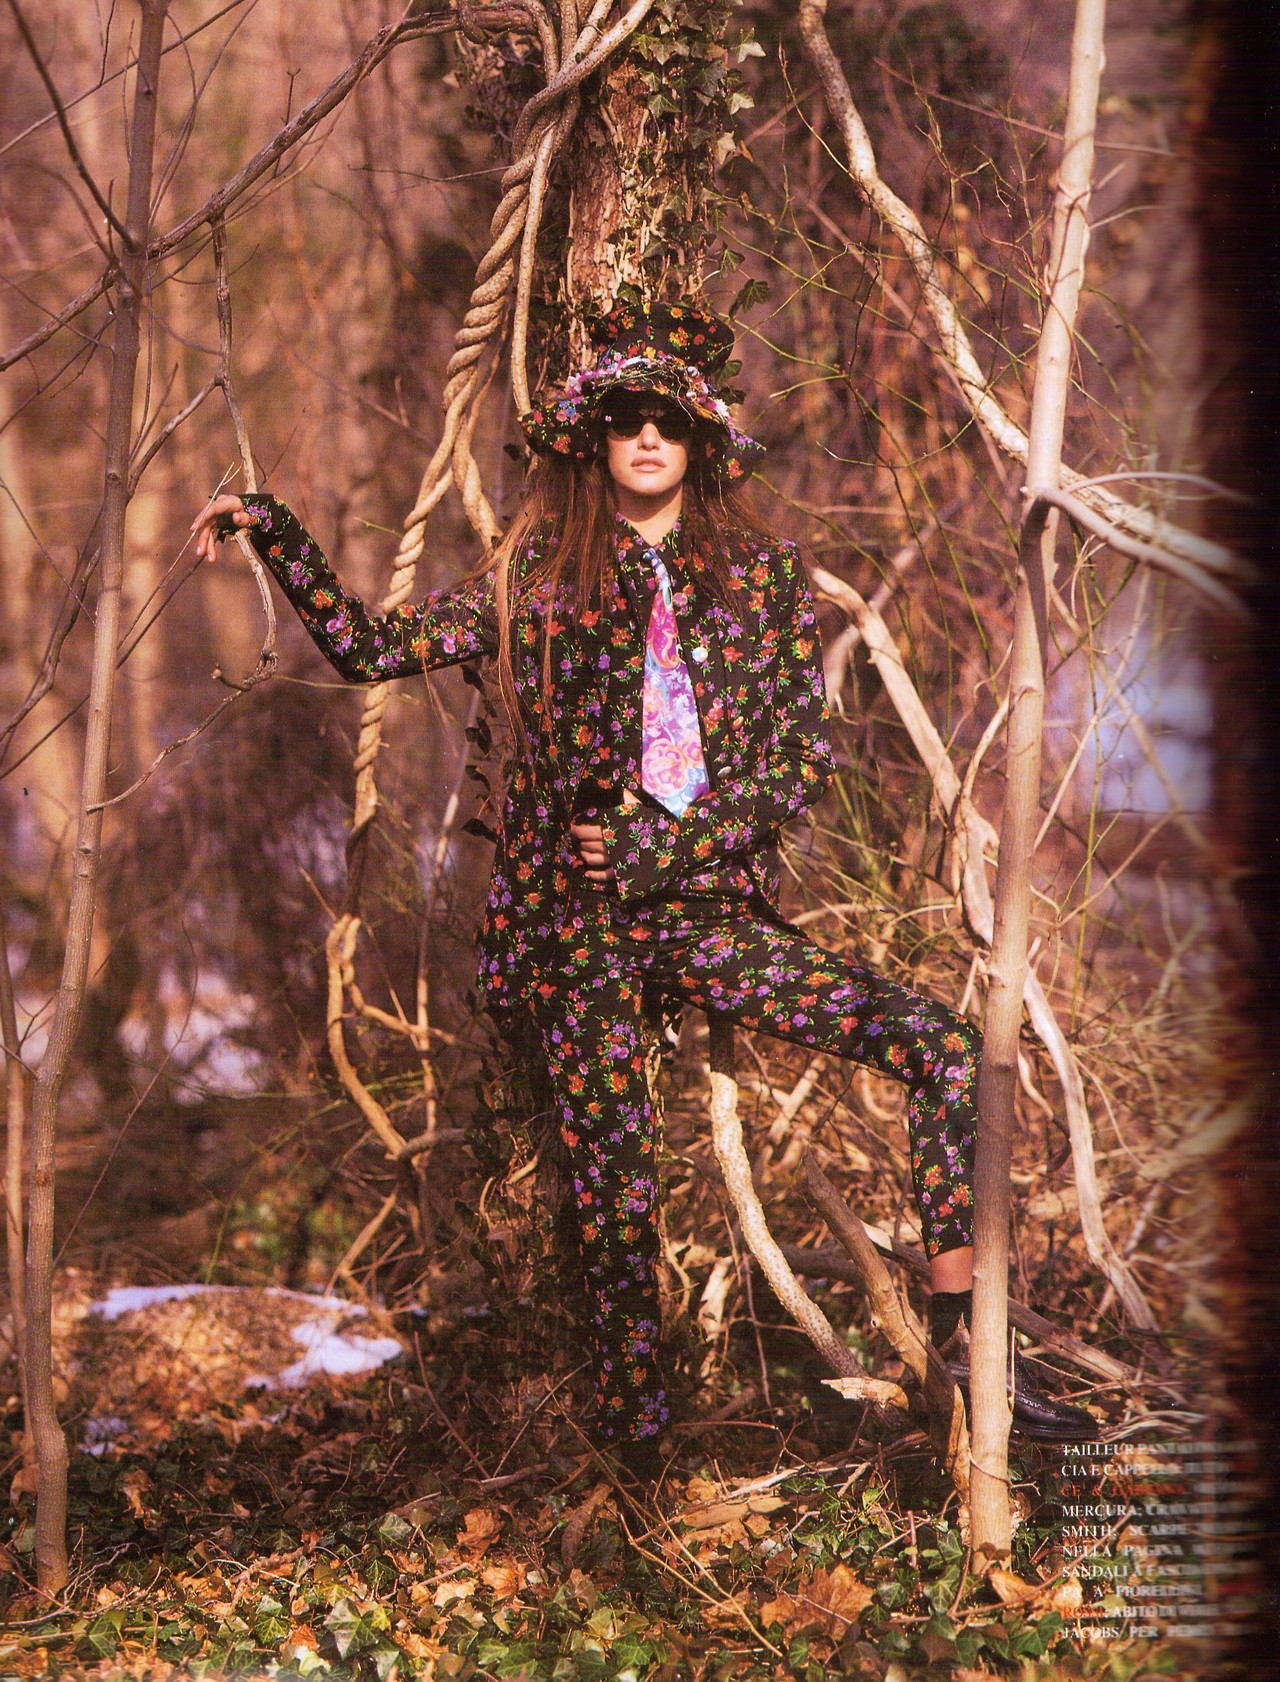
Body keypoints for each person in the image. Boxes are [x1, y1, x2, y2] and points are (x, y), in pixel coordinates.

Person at [192, 302, 1095, 1471]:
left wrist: (670, 846)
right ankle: (640, 1471)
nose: (648, 435)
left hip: (702, 913)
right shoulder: (535, 575)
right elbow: (371, 648)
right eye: (624, 418)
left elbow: (794, 761)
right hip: (573, 935)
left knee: (940, 1044)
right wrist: (271, 526)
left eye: (669, 417)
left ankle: (974, 1354)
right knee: (614, 1198)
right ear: (596, 442)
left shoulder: (760, 577)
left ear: (702, 437)